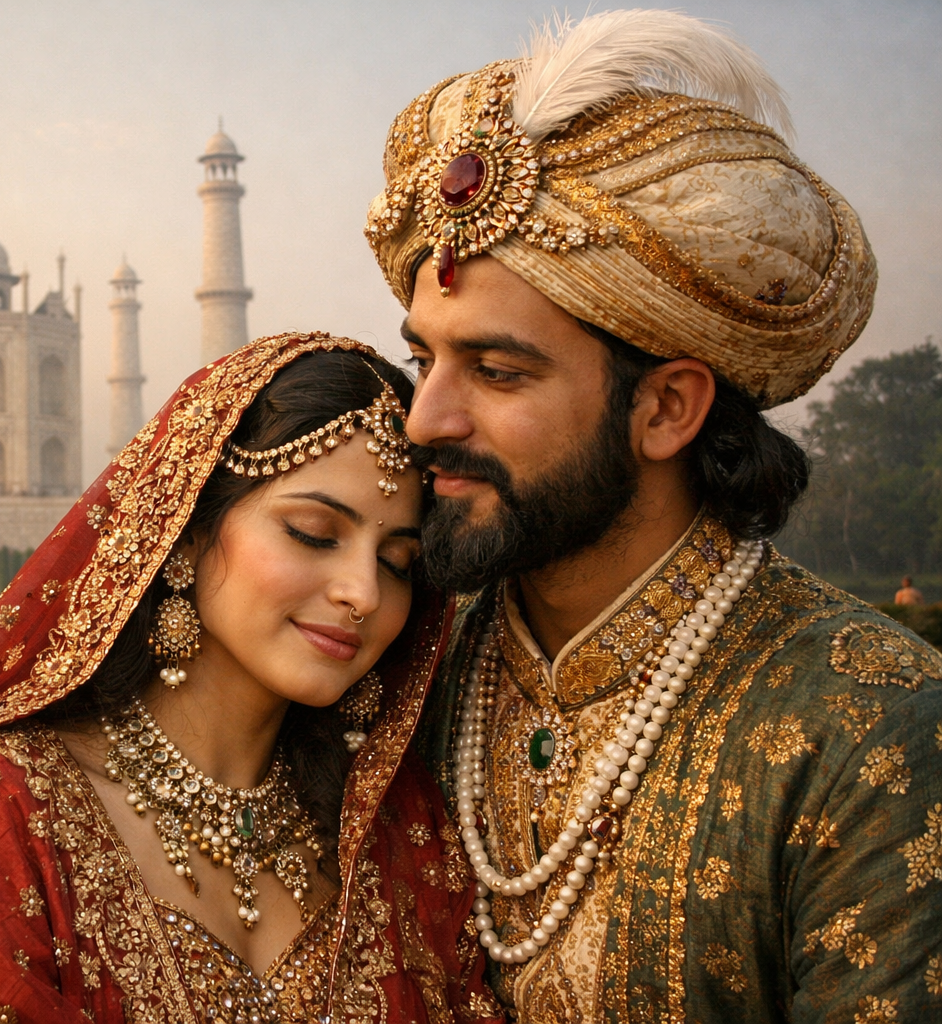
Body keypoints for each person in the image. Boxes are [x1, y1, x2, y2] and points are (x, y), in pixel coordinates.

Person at [363, 10, 941, 1022]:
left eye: (496, 370)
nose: (425, 419)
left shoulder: (867, 725)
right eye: (424, 359)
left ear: (667, 408)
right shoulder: (407, 676)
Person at [0, 334, 503, 1023]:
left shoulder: (391, 827)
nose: (363, 593)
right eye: (312, 533)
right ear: (186, 529)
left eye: (397, 563)